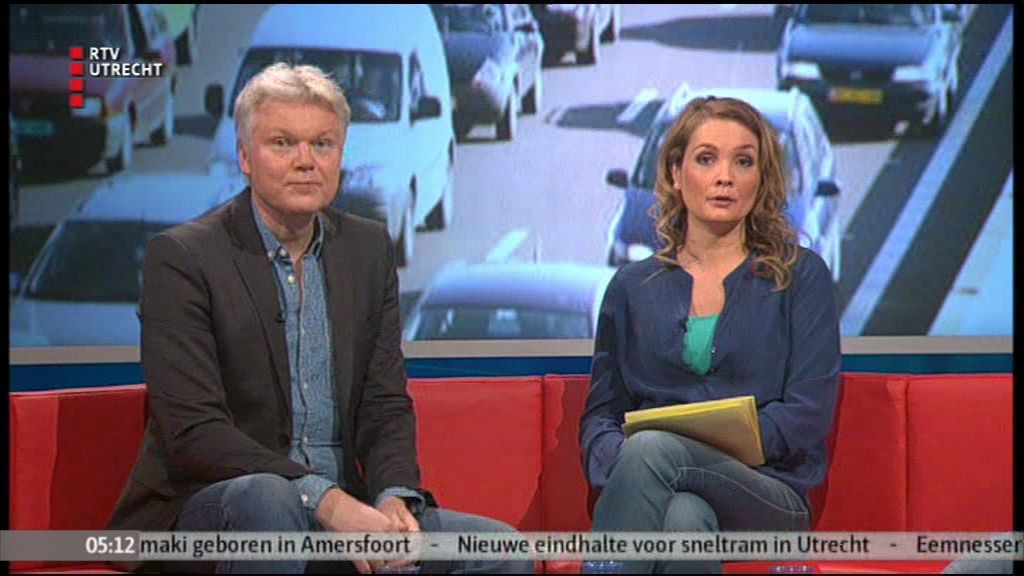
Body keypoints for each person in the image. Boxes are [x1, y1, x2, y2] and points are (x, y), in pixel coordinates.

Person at [107, 62, 530, 575]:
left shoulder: (367, 249)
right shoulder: (184, 257)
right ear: (245, 156)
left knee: (499, 550)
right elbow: (195, 432)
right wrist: (325, 501)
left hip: (346, 511)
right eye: (283, 143)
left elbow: (384, 404)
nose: (305, 161)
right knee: (269, 499)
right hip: (214, 509)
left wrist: (393, 499)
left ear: (340, 155)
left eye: (322, 144)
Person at [580, 96, 841, 574]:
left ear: (761, 179)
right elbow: (602, 416)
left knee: (653, 449)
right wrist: (623, 460)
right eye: (706, 159)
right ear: (676, 174)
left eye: (743, 162)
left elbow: (808, 413)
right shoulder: (632, 287)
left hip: (768, 493)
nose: (725, 177)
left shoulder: (800, 277)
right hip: (659, 484)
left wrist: (676, 449)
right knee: (683, 517)